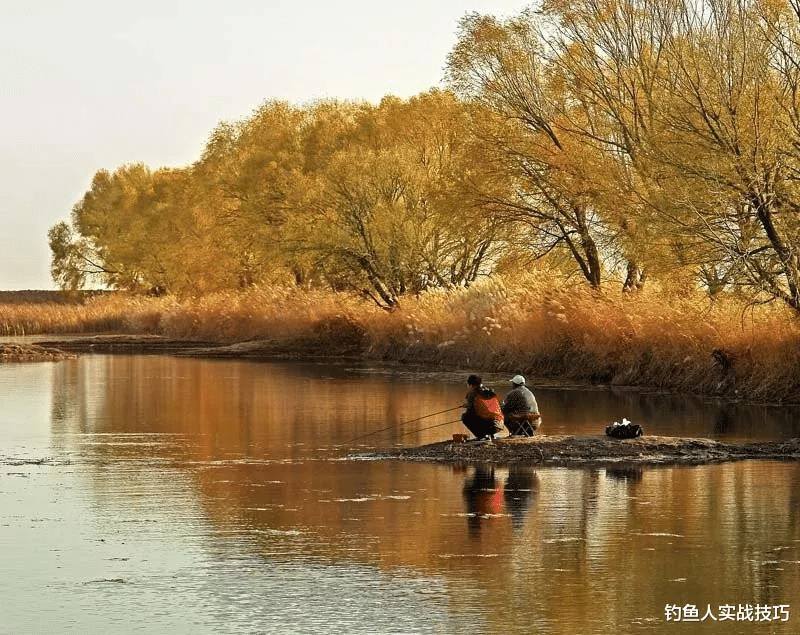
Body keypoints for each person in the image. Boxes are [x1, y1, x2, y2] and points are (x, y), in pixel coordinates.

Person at [461, 374, 504, 441]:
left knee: (465, 417)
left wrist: (468, 406)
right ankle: (491, 435)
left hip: (489, 425)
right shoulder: (490, 391)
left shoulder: (472, 393)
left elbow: (471, 411)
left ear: (470, 384)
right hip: (500, 424)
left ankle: (482, 436)